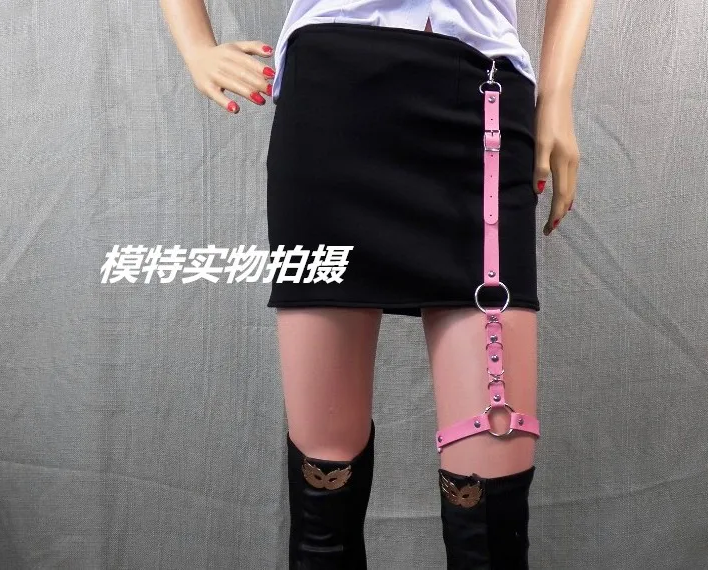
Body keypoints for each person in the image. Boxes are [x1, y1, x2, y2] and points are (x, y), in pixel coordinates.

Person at [160, 0, 594, 567]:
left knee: (492, 511)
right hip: (331, 110)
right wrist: (196, 47)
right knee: (324, 483)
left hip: (482, 111)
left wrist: (556, 97)